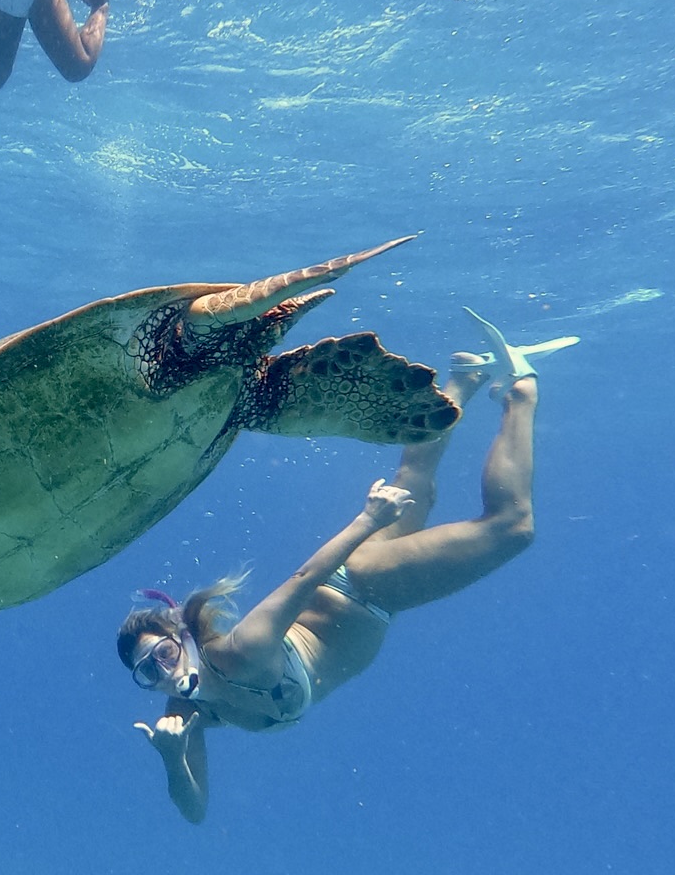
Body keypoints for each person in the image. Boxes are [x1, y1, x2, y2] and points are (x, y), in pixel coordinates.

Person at [120, 338, 552, 823]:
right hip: (373, 596)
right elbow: (194, 809)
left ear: (183, 640)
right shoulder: (186, 717)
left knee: (512, 527)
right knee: (416, 484)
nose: (163, 670)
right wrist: (171, 758)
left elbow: (307, 577)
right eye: (148, 671)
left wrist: (368, 521)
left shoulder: (243, 648)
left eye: (164, 653)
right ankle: (464, 378)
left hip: (364, 587)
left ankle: (521, 393)